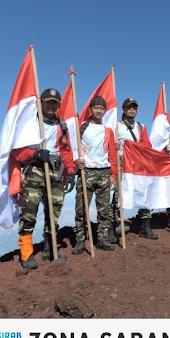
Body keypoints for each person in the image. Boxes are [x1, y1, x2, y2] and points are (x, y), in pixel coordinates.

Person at [10, 88, 76, 269]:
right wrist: (36, 153)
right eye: (47, 101)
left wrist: (70, 171)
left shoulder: (61, 125)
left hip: (56, 172)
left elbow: (66, 150)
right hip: (34, 172)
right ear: (41, 103)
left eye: (54, 102)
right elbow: (16, 151)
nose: (51, 105)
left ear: (58, 105)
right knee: (29, 212)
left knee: (53, 213)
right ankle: (26, 253)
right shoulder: (30, 124)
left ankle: (50, 250)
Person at [72, 97, 117, 254]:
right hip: (87, 172)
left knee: (104, 210)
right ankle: (79, 240)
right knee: (81, 208)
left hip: (104, 172)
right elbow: (73, 147)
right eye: (96, 108)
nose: (99, 111)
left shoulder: (108, 131)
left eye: (102, 108)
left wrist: (114, 174)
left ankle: (102, 239)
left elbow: (112, 154)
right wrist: (77, 162)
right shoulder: (82, 127)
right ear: (90, 109)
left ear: (105, 111)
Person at [116, 97, 158, 240]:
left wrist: (135, 147)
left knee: (143, 193)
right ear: (123, 110)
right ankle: (115, 224)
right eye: (129, 107)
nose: (132, 110)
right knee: (119, 193)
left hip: (139, 164)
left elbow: (148, 146)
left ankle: (145, 227)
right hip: (122, 163)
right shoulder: (116, 126)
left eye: (134, 107)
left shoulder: (141, 127)